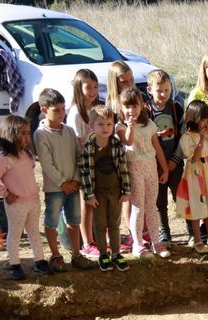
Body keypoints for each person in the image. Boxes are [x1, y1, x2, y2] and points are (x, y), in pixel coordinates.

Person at [0, 115, 48, 280]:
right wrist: (5, 193)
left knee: (34, 231)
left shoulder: (26, 154)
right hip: (17, 203)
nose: (27, 137)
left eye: (28, 133)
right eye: (23, 133)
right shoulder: (3, 158)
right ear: (10, 134)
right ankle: (14, 264)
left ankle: (40, 260)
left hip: (33, 201)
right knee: (15, 233)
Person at [33, 88, 87, 270]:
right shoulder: (41, 134)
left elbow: (78, 155)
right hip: (55, 188)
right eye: (56, 110)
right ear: (44, 110)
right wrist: (63, 183)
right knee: (52, 221)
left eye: (63, 109)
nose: (61, 113)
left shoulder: (69, 131)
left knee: (74, 220)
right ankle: (56, 255)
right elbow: (46, 164)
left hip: (73, 184)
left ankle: (76, 254)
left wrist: (76, 180)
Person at [118, 89, 170, 258]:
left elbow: (157, 147)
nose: (131, 110)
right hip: (134, 169)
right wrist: (130, 127)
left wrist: (165, 168)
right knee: (138, 207)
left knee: (151, 206)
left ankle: (156, 242)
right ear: (121, 107)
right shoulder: (121, 126)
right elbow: (128, 141)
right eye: (127, 106)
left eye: (134, 106)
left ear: (141, 106)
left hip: (151, 168)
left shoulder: (149, 124)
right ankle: (138, 244)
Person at [78, 105, 131, 271]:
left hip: (115, 191)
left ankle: (115, 253)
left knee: (114, 224)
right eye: (100, 124)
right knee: (100, 225)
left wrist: (126, 191)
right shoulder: (89, 147)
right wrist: (89, 195)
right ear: (91, 126)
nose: (105, 128)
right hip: (98, 193)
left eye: (109, 124)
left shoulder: (116, 145)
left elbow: (123, 168)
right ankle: (103, 254)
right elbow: (85, 172)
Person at [175, 100, 208, 253]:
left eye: (206, 119)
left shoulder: (206, 134)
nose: (205, 122)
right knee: (197, 207)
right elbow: (194, 158)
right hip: (195, 178)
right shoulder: (187, 138)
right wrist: (202, 139)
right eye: (202, 119)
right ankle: (198, 239)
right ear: (192, 118)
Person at [145, 69, 184, 247]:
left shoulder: (176, 108)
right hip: (155, 165)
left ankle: (192, 230)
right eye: (159, 91)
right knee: (159, 201)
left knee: (181, 197)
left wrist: (174, 161)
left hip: (174, 162)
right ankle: (164, 232)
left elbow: (183, 137)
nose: (163, 94)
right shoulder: (145, 112)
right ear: (149, 90)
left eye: (167, 90)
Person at [67, 69, 101, 259]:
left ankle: (95, 239)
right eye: (88, 87)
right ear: (79, 88)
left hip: (97, 161)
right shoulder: (76, 113)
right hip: (83, 162)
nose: (93, 91)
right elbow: (78, 142)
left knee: (95, 202)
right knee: (85, 202)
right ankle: (86, 243)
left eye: (95, 87)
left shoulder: (95, 110)